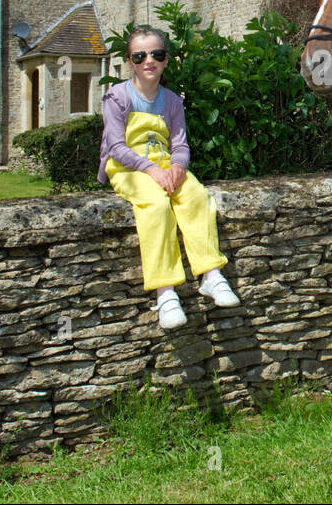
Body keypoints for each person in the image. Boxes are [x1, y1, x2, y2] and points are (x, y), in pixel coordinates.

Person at [99, 26, 240, 329]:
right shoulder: (117, 97)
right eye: (140, 55)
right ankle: (165, 293)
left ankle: (211, 275)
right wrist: (151, 170)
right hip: (128, 167)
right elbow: (116, 146)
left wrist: (177, 167)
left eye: (156, 54)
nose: (149, 60)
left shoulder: (173, 101)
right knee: (156, 205)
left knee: (196, 196)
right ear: (130, 61)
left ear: (165, 60)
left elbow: (180, 144)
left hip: (164, 165)